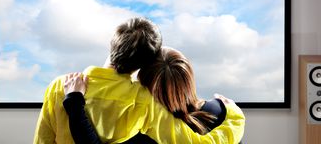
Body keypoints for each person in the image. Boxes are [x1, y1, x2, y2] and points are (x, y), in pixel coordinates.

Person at [33, 17, 245, 144]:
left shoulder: (59, 86)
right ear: (145, 63)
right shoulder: (144, 100)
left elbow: (42, 140)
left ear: (113, 43)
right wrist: (234, 117)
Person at [62, 47, 241, 144]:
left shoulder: (140, 128)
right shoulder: (221, 110)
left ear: (144, 82)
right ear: (188, 78)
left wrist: (74, 100)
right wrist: (231, 111)